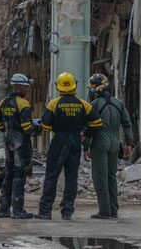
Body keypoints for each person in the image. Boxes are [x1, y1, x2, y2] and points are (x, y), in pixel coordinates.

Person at [35, 72, 103, 220]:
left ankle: (45, 211)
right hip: (75, 140)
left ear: (58, 86)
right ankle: (67, 211)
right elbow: (97, 122)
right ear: (75, 85)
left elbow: (45, 126)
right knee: (71, 177)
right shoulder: (83, 104)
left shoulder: (54, 104)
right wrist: (86, 133)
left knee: (52, 175)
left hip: (59, 140)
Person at [85, 73, 134, 219]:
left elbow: (89, 127)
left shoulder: (94, 105)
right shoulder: (118, 103)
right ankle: (113, 210)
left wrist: (85, 146)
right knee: (111, 176)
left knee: (100, 177)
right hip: (115, 141)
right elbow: (127, 124)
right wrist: (128, 144)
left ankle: (104, 211)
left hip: (100, 140)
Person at [0, 73, 38, 219]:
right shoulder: (23, 104)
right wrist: (37, 128)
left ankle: (3, 208)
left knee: (9, 173)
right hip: (20, 141)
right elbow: (27, 126)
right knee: (19, 173)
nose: (28, 90)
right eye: (26, 87)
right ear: (18, 87)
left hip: (7, 138)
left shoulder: (3, 102)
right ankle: (18, 209)